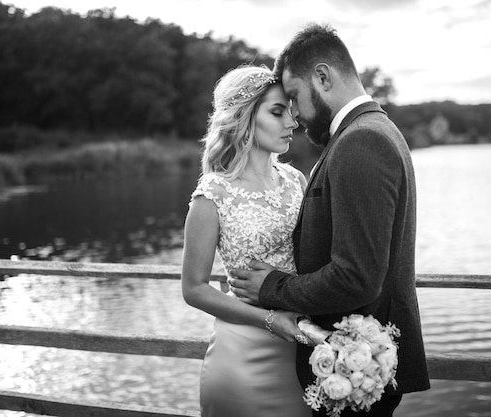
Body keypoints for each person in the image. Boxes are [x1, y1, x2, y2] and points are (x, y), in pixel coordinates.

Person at [228, 24, 431, 416]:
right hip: (356, 365)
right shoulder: (370, 131)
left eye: (294, 97)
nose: (295, 114)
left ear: (322, 76)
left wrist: (271, 286)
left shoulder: (362, 141)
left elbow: (357, 277)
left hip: (358, 368)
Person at [180, 64, 312, 417]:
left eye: (291, 111)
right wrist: (271, 319)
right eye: (277, 112)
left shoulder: (296, 179)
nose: (292, 123)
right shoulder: (213, 193)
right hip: (241, 356)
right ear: (245, 117)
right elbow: (194, 288)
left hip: (300, 351)